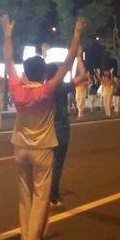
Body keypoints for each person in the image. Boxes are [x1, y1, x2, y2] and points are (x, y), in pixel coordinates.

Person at [1, 14, 82, 240]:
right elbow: (68, 63)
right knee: (41, 198)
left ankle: (27, 239)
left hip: (20, 148)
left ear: (25, 72)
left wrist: (7, 34)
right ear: (43, 73)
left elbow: (8, 60)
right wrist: (77, 33)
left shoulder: (17, 88)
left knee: (24, 197)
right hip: (43, 149)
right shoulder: (47, 90)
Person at [46, 46, 86, 207]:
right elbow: (83, 76)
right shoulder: (61, 88)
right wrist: (78, 57)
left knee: (46, 164)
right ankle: (52, 196)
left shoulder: (44, 87)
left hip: (45, 128)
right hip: (60, 128)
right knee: (57, 163)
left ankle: (43, 192)